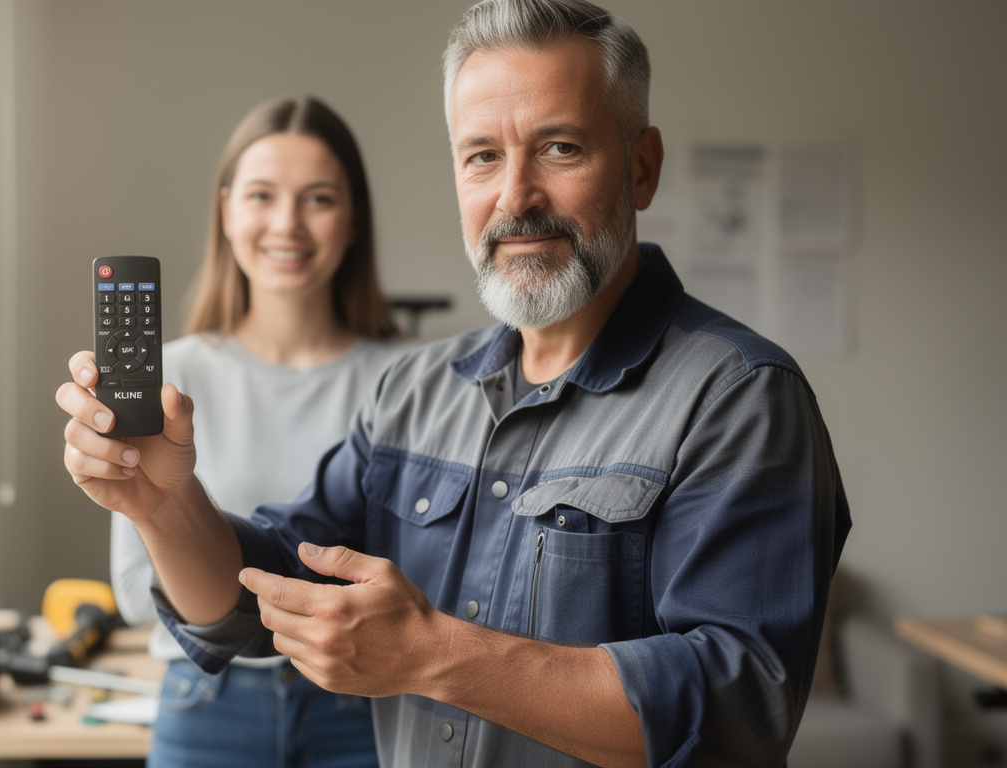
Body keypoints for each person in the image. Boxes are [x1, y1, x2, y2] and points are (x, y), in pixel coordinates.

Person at [59, 1, 852, 766]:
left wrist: (437, 656)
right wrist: (161, 503)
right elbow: (252, 600)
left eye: (560, 148)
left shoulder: (741, 397)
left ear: (641, 168)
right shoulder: (412, 391)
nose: (516, 197)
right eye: (483, 156)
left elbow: (741, 710)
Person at [109, 96, 411, 768]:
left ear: (354, 217)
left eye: (319, 199)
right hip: (208, 704)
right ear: (225, 211)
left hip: (361, 709)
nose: (286, 224)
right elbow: (134, 594)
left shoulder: (413, 382)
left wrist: (225, 568)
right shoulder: (170, 377)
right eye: (262, 195)